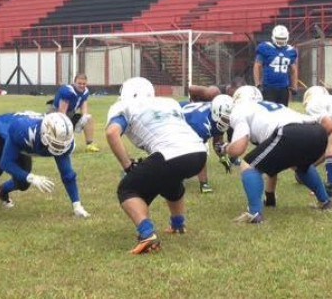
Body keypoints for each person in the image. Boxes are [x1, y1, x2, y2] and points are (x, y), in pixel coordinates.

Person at [106, 77, 208, 255]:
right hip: (199, 153)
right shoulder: (169, 103)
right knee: (170, 179)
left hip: (171, 153)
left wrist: (127, 165)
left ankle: (147, 234)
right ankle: (178, 224)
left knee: (127, 189)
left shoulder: (126, 106)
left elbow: (112, 133)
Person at [214, 91, 332, 224]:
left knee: (249, 166)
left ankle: (255, 214)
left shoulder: (238, 111)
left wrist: (225, 148)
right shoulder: (262, 108)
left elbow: (238, 149)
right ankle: (326, 202)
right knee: (299, 165)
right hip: (317, 131)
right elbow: (271, 162)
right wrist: (270, 197)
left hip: (291, 132)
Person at [0, 111, 88, 222]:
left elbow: (68, 174)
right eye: (55, 144)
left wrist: (77, 205)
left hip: (18, 137)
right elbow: (5, 163)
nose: (58, 148)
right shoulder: (24, 131)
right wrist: (32, 177)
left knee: (23, 183)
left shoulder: (62, 139)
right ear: (44, 134)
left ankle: (1, 191)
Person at [179, 95, 235, 193]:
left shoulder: (217, 115)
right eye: (227, 119)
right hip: (175, 121)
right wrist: (204, 183)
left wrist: (223, 158)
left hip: (188, 115)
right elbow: (200, 154)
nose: (229, 122)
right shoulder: (202, 126)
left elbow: (217, 140)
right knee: (182, 154)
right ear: (216, 114)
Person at [51, 73, 98, 152]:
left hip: (70, 114)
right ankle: (59, 143)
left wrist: (84, 121)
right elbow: (61, 114)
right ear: (74, 83)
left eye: (84, 84)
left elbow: (84, 109)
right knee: (62, 126)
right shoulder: (68, 91)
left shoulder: (85, 92)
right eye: (79, 83)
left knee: (88, 119)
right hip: (55, 116)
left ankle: (89, 145)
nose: (82, 86)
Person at [253, 25, 298, 106]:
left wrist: (294, 86)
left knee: (282, 112)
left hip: (284, 88)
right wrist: (257, 83)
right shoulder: (266, 48)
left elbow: (294, 70)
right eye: (279, 39)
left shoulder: (290, 51)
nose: (281, 41)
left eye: (283, 39)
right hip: (269, 87)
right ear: (273, 37)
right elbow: (257, 65)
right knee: (269, 113)